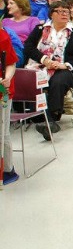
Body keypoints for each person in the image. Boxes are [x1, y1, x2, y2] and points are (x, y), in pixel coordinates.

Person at [24, 0, 73, 140]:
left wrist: (64, 65)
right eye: (60, 11)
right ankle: (39, 117)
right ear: (51, 14)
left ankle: (51, 120)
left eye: (67, 12)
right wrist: (44, 60)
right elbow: (28, 47)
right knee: (32, 78)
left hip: (64, 69)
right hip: (40, 65)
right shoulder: (40, 29)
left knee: (58, 81)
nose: (65, 14)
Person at [0, 18, 19, 184]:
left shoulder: (3, 37)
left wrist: (7, 78)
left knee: (2, 133)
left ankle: (7, 170)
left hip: (2, 92)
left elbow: (11, 63)